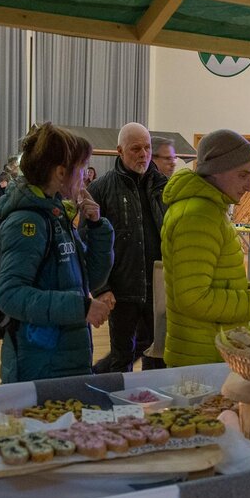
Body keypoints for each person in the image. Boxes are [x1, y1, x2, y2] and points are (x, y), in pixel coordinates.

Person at [0, 124, 114, 382]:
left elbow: (88, 280)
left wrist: (97, 227)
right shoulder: (28, 223)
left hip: (65, 359)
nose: (85, 178)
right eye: (82, 169)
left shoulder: (55, 215)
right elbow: (10, 295)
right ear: (61, 172)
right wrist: (80, 307)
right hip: (40, 364)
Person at [161, 129, 250, 366]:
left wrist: (246, 289)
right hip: (202, 358)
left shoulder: (208, 210)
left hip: (207, 349)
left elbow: (210, 278)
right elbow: (194, 298)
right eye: (242, 175)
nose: (248, 186)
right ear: (216, 171)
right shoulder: (198, 216)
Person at [88, 122, 168, 372]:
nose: (143, 154)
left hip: (159, 290)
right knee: (122, 357)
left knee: (158, 358)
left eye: (147, 147)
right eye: (135, 148)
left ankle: (157, 409)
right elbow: (88, 243)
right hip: (121, 292)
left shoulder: (165, 187)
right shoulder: (100, 189)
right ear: (119, 151)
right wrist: (101, 287)